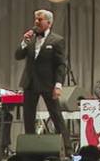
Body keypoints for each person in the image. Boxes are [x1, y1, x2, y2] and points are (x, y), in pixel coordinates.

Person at [16, 9, 71, 153]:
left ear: (49, 22)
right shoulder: (31, 38)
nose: (36, 22)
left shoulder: (57, 40)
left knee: (56, 116)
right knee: (28, 118)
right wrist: (24, 41)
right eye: (35, 19)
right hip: (30, 83)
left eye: (40, 20)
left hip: (48, 84)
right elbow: (18, 55)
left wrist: (58, 85)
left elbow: (61, 65)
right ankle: (29, 151)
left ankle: (68, 149)